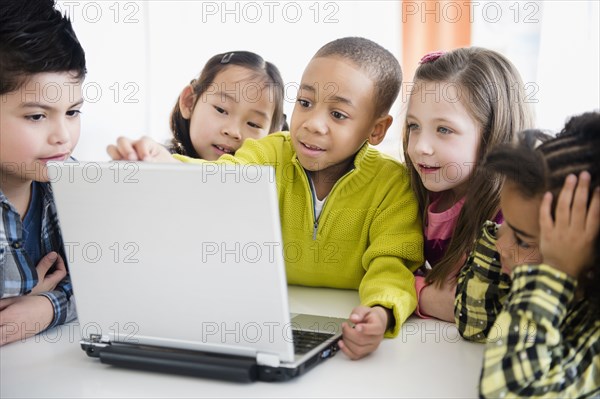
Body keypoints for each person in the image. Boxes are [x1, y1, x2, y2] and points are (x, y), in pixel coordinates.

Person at [107, 37, 424, 360]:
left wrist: (381, 311)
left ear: (376, 130)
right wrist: (164, 163)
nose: (313, 124)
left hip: (339, 318)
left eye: (338, 115)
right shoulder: (269, 151)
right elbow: (220, 179)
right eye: (305, 102)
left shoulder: (392, 183)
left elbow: (393, 264)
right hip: (262, 316)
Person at [455, 112, 600, 397]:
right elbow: (475, 325)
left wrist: (553, 275)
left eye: (521, 239)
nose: (500, 244)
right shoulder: (540, 271)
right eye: (504, 224)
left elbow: (507, 392)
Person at [403, 48, 534, 321]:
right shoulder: (421, 193)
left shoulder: (514, 215)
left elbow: (488, 311)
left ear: (493, 135)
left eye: (443, 130)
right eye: (414, 126)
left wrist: (416, 292)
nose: (420, 147)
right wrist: (428, 293)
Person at [0, 0, 86, 345]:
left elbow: (116, 282)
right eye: (37, 116)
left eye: (73, 112)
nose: (62, 136)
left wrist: (45, 307)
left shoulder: (72, 181)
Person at [168, 51, 287, 160]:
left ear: (272, 134)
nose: (233, 132)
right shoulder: (159, 161)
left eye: (253, 124)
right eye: (221, 110)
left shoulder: (274, 180)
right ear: (189, 103)